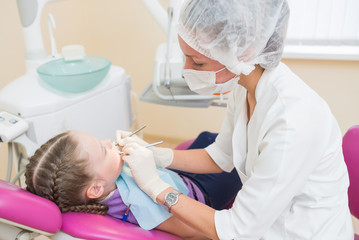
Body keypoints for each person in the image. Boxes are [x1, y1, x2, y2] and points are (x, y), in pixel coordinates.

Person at [118, 0, 355, 239]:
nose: (186, 69)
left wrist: (156, 187)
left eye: (198, 61)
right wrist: (157, 155)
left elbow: (236, 230)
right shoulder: (244, 83)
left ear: (244, 51)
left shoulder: (292, 121)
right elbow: (220, 157)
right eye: (185, 57)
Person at [25, 130, 241, 239]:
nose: (108, 142)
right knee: (241, 154)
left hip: (174, 177)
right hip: (202, 194)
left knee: (206, 137)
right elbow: (194, 231)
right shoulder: (138, 204)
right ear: (95, 189)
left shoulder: (106, 183)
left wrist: (154, 155)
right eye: (103, 149)